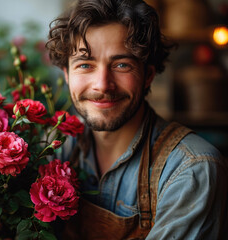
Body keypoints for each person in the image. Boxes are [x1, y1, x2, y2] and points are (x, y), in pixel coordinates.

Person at [46, 0, 228, 239]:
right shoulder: (54, 147)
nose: (102, 84)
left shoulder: (192, 169)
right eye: (85, 65)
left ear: (148, 75)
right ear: (67, 75)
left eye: (121, 65)